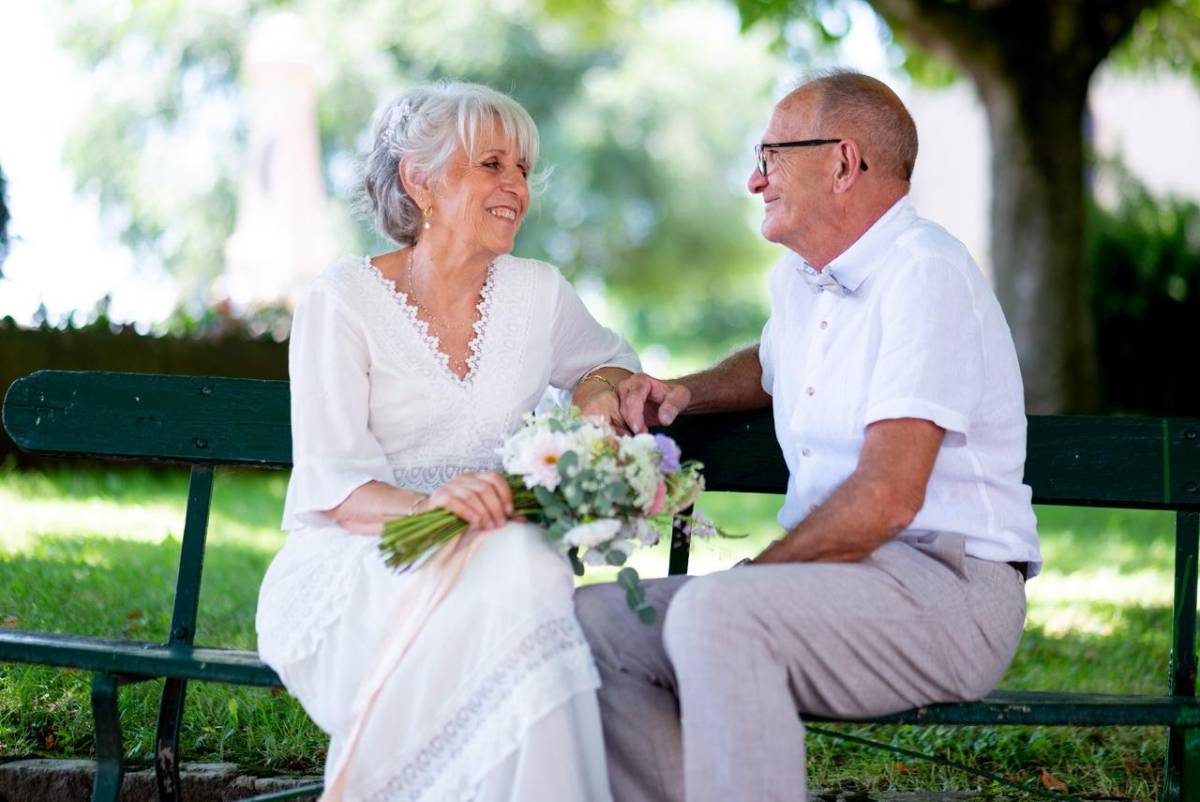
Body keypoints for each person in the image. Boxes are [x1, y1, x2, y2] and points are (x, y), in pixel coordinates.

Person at [575, 69, 1043, 802]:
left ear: (843, 162)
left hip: (947, 591)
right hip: (837, 582)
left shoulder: (926, 274)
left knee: (721, 614)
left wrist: (759, 575)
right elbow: (767, 369)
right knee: (599, 623)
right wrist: (685, 393)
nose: (754, 181)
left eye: (770, 156)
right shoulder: (802, 281)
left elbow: (888, 497)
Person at [255, 81, 638, 802]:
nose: (516, 187)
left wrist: (593, 399)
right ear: (419, 180)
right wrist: (439, 506)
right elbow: (336, 488)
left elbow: (606, 364)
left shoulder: (539, 292)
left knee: (521, 561)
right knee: (523, 567)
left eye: (523, 168)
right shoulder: (341, 301)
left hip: (495, 547)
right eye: (492, 164)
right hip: (365, 557)